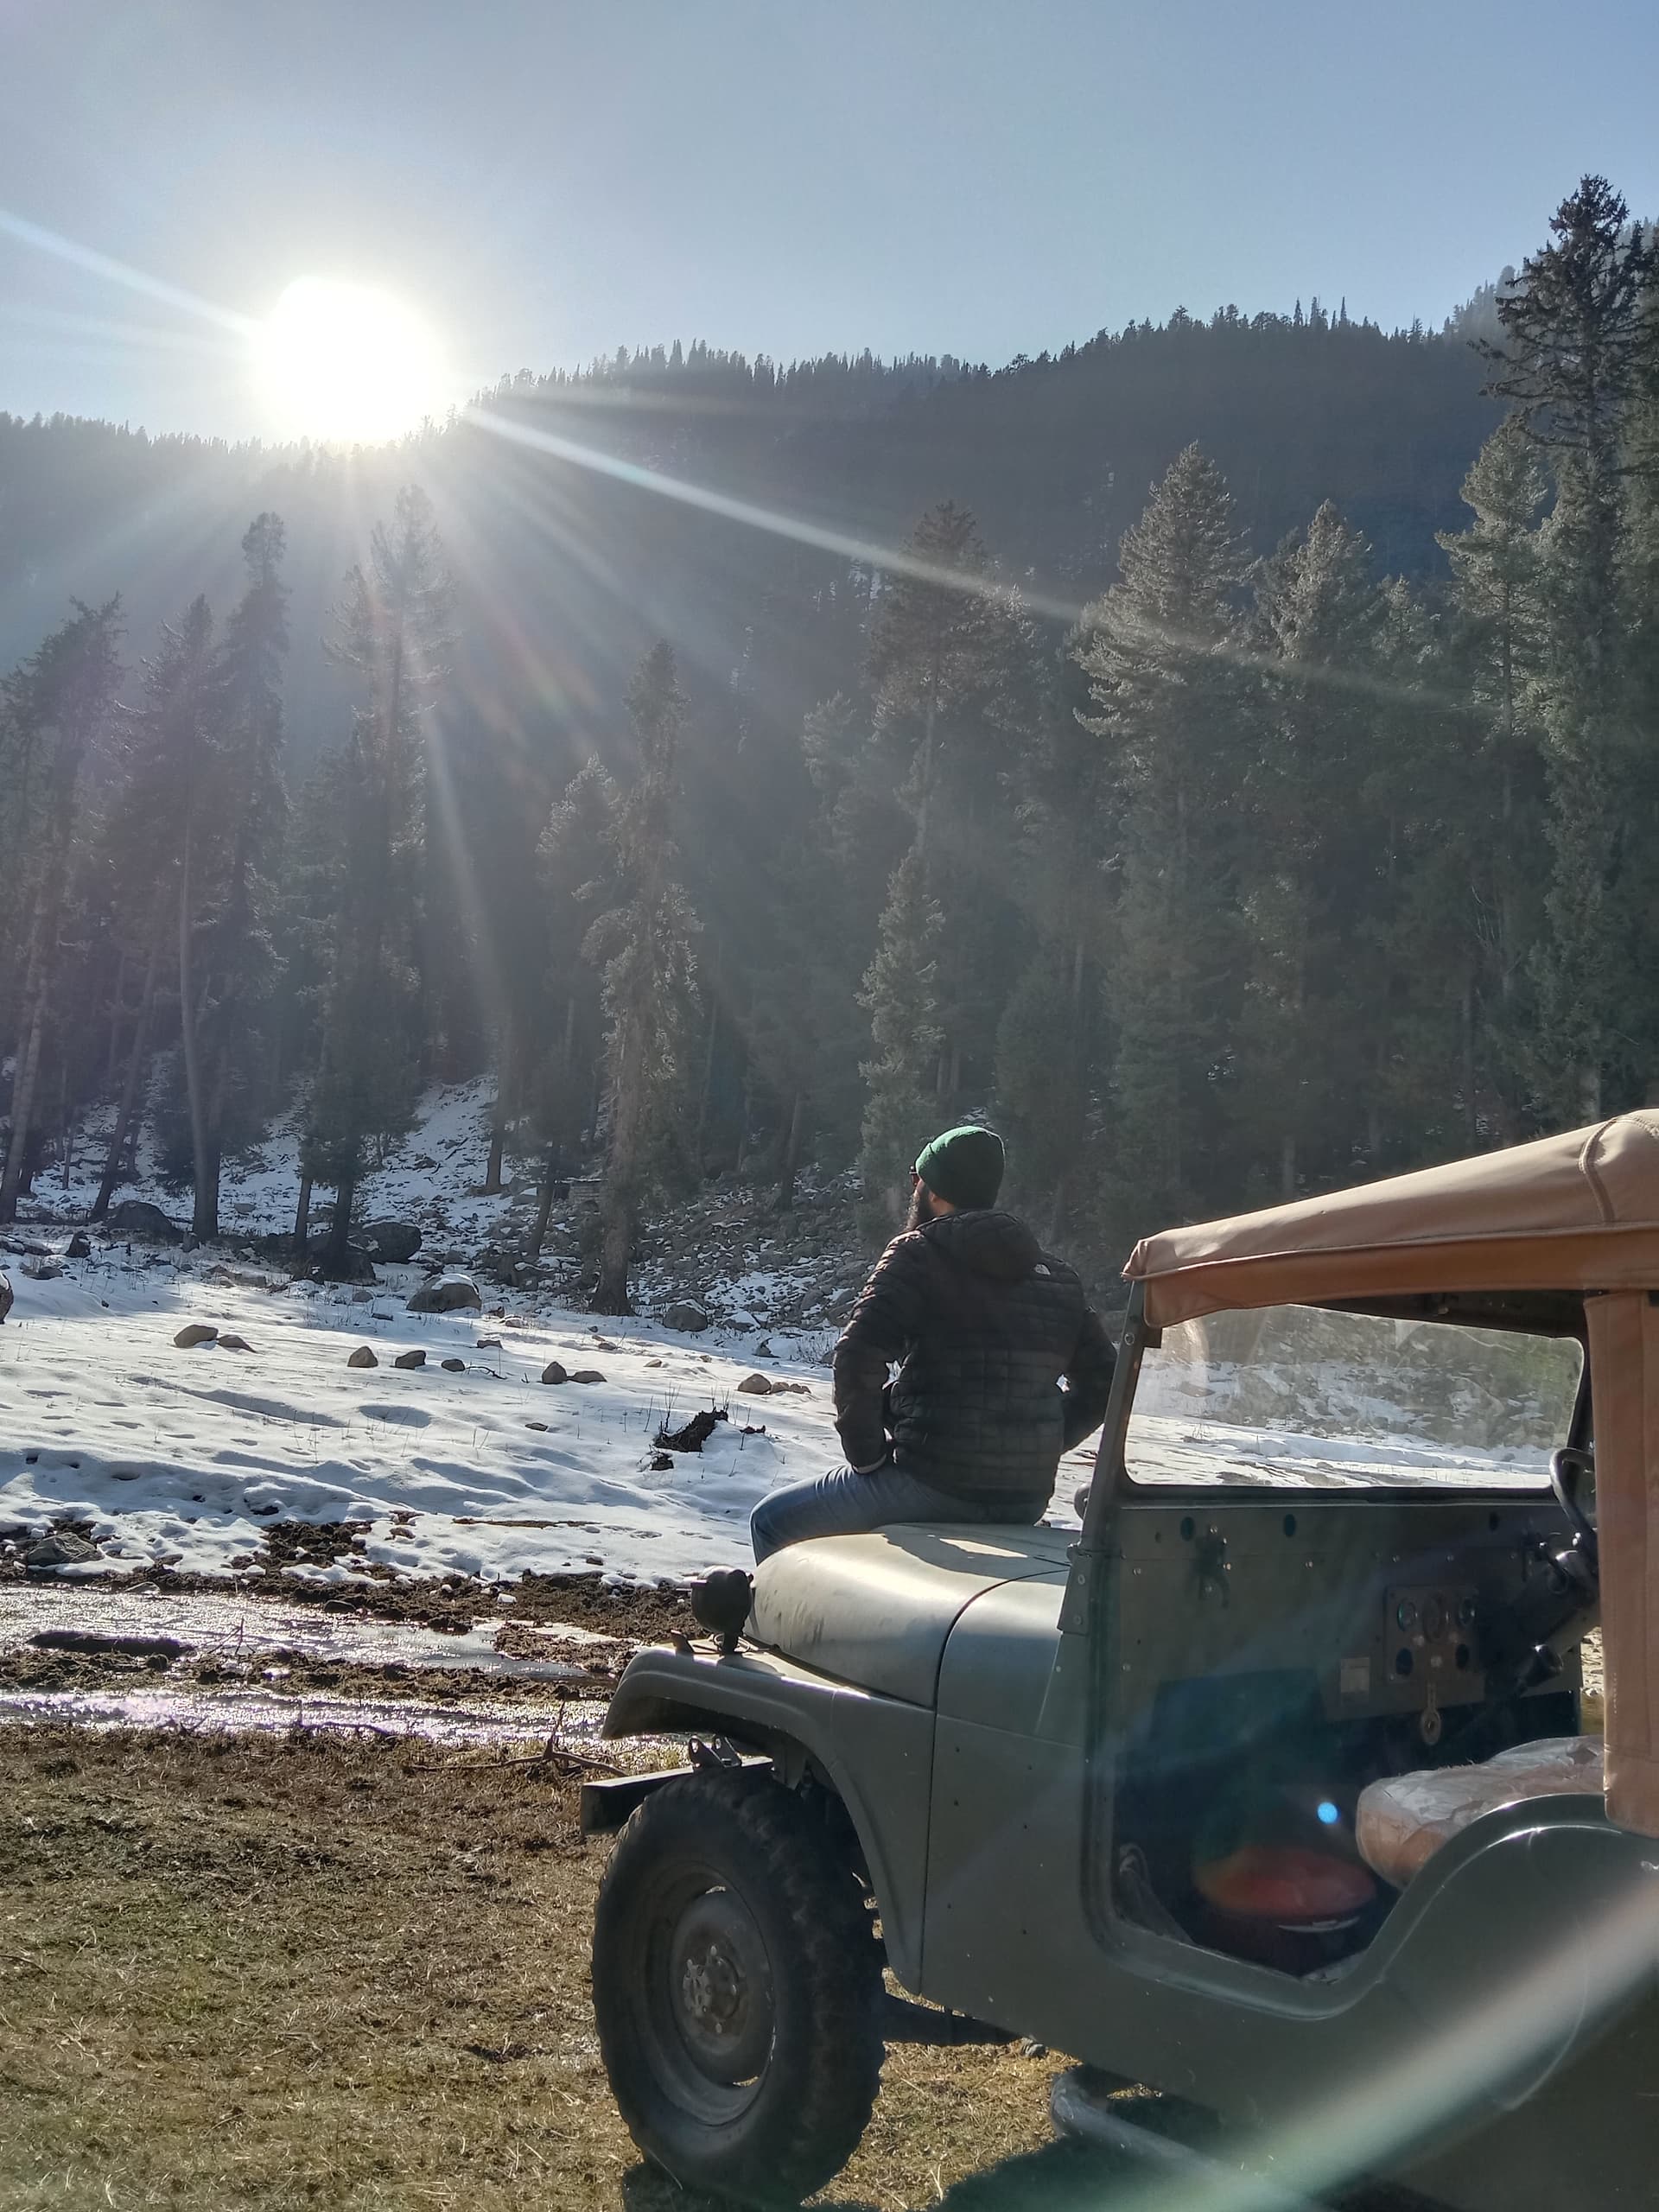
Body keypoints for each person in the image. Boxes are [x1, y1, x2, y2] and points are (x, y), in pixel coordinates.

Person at [750, 1124, 1116, 1561]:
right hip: (1025, 1498)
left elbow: (857, 1354)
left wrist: (868, 1459)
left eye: (916, 1179)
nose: (914, 1191)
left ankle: (777, 1631)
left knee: (772, 1521)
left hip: (930, 1483)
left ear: (937, 1192)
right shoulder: (1058, 1276)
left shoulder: (917, 1252)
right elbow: (1104, 1382)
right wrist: (1035, 1445)